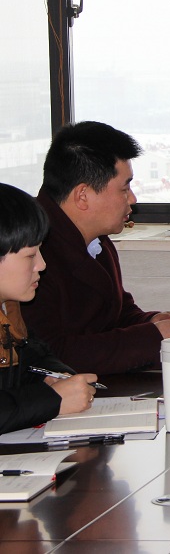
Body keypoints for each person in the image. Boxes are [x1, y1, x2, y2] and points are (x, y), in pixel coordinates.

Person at [21, 122, 170, 375]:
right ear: (82, 195)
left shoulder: (96, 240)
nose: (132, 199)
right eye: (125, 188)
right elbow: (49, 354)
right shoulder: (29, 251)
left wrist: (151, 322)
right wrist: (151, 338)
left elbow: (116, 314)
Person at [0, 183, 97, 435]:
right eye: (30, 255)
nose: (42, 265)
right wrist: (52, 399)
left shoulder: (9, 309)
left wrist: (57, 376)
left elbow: (35, 356)